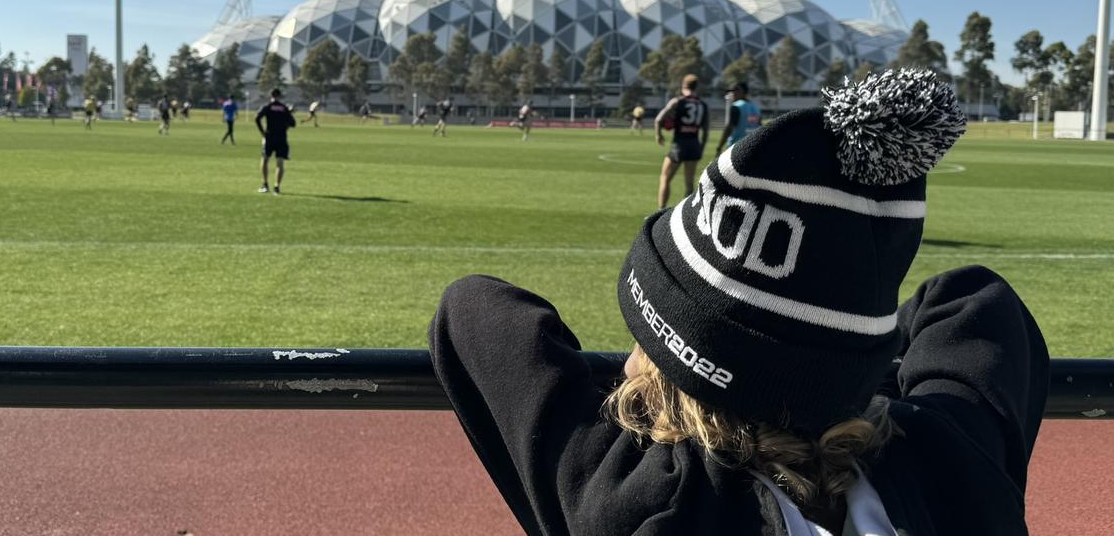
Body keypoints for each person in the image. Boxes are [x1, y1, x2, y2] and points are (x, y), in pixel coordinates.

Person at [429, 69, 1048, 536]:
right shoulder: (951, 468)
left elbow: (472, 310)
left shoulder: (638, 503)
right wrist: (839, 373)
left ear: (674, 364)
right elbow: (974, 300)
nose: (625, 364)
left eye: (643, 341)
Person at [654, 74, 710, 209]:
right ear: (696, 87)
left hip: (679, 144)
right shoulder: (702, 104)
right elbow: (706, 131)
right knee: (689, 183)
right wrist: (701, 148)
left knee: (665, 178)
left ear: (683, 85)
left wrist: (658, 135)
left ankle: (661, 210)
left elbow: (658, 120)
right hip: (694, 144)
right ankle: (686, 215)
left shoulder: (677, 101)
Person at [255, 88, 297, 194]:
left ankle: (265, 184)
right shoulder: (284, 108)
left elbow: (257, 118)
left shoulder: (268, 107)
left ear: (271, 95)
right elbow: (293, 123)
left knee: (265, 160)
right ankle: (277, 187)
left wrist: (262, 132)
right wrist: (285, 125)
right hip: (281, 137)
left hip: (269, 137)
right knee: (280, 162)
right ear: (280, 96)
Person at [716, 81, 763, 156]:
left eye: (734, 91)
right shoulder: (756, 108)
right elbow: (760, 127)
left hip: (736, 147)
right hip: (753, 147)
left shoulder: (736, 106)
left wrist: (719, 146)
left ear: (741, 92)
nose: (732, 94)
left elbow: (729, 128)